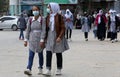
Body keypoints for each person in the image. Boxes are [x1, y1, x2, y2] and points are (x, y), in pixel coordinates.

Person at [44, 2, 69, 76]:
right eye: (48, 7)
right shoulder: (47, 17)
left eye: (49, 7)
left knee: (58, 53)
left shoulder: (59, 17)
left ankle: (59, 69)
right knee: (48, 52)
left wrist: (60, 37)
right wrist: (44, 38)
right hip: (49, 36)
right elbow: (45, 28)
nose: (48, 9)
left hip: (57, 36)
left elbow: (63, 28)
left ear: (53, 8)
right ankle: (48, 69)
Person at [24, 6, 46, 75]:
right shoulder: (30, 19)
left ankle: (40, 68)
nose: (35, 11)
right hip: (32, 40)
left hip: (40, 40)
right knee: (31, 55)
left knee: (40, 55)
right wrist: (25, 40)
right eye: (34, 10)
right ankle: (29, 68)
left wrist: (42, 40)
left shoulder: (42, 20)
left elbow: (43, 30)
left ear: (39, 10)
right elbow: (28, 30)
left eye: (36, 10)